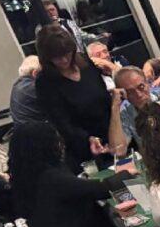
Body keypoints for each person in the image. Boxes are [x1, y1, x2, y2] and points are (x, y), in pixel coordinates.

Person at [8, 122, 134, 227]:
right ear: (45, 147)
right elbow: (101, 189)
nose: (61, 146)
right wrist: (128, 172)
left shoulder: (25, 181)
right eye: (56, 142)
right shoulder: (50, 179)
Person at [34, 25, 112, 170]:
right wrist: (88, 138)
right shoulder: (45, 82)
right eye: (56, 57)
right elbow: (61, 123)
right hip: (84, 148)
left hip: (111, 134)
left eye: (67, 53)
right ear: (46, 58)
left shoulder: (86, 63)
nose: (64, 60)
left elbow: (104, 97)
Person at [107, 66, 160, 158]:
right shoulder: (126, 114)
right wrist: (115, 107)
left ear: (147, 83)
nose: (138, 94)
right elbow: (118, 151)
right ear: (122, 94)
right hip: (157, 165)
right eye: (130, 92)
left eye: (141, 87)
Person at [9, 55, 45, 126]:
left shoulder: (18, 84)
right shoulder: (32, 87)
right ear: (35, 73)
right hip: (38, 131)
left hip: (25, 130)